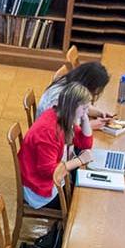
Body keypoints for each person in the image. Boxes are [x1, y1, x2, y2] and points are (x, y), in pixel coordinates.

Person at [19, 83, 96, 213]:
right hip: (40, 189)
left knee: (85, 193)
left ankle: (59, 229)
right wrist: (80, 160)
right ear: (72, 107)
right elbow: (49, 171)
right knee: (81, 206)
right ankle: (59, 231)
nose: (86, 112)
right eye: (84, 108)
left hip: (52, 179)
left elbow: (85, 143)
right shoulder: (48, 132)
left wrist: (85, 118)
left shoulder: (61, 115)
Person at [36, 62, 112, 145]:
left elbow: (79, 107)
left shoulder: (69, 84)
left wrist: (99, 113)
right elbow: (64, 132)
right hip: (49, 140)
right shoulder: (61, 97)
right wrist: (88, 126)